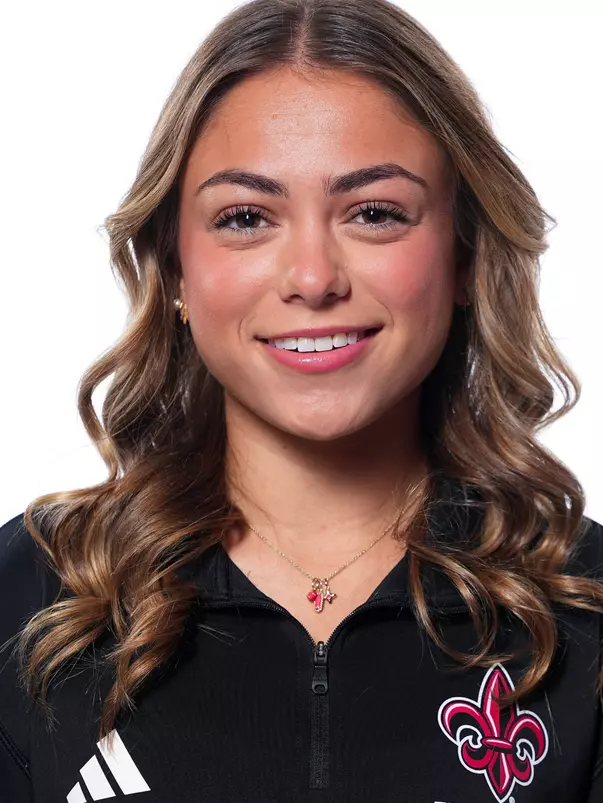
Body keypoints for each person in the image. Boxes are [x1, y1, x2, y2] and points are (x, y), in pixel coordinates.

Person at [1, 0, 602, 801]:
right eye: (246, 217)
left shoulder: (583, 606)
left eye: (375, 213)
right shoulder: (34, 596)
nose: (313, 279)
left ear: (463, 256)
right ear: (175, 267)